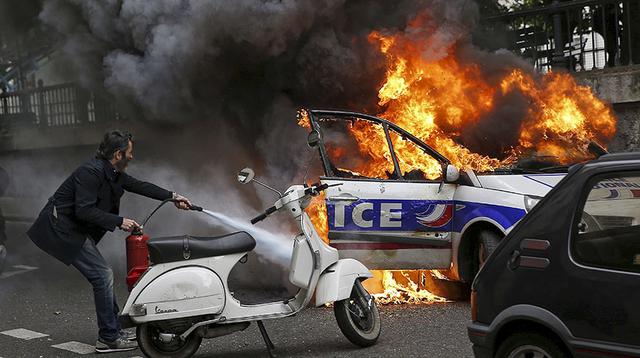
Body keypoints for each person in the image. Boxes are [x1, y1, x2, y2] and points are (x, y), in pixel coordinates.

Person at [27, 130, 192, 353]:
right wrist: (119, 221)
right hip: (62, 229)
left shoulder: (111, 172)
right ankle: (108, 338)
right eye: (130, 153)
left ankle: (113, 330)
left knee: (102, 275)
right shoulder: (90, 173)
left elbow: (140, 185)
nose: (132, 157)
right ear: (118, 154)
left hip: (73, 229)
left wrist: (173, 196)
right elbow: (84, 210)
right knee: (102, 275)